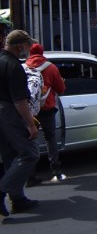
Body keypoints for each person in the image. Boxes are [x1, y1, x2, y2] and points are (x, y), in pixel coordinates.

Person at [0, 30, 40, 216]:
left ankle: (17, 199)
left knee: (9, 156)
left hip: (3, 112)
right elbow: (19, 101)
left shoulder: (1, 59)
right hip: (10, 112)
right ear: (19, 46)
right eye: (27, 44)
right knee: (29, 153)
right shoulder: (14, 66)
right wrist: (30, 124)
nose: (28, 48)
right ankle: (2, 190)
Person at [25, 43, 67, 183]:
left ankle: (30, 175)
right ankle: (56, 170)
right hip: (46, 108)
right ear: (42, 52)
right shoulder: (51, 67)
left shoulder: (23, 67)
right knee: (50, 138)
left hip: (30, 110)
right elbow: (60, 89)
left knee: (31, 140)